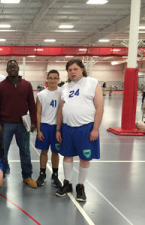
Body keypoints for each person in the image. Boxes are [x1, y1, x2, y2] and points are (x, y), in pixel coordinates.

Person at [55, 59, 103, 202]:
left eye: (75, 69)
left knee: (84, 159)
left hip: (86, 128)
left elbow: (99, 107)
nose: (72, 72)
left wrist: (95, 128)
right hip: (67, 128)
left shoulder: (93, 83)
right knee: (67, 156)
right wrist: (58, 129)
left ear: (82, 69)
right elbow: (60, 110)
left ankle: (80, 187)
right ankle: (67, 183)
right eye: (70, 70)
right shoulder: (64, 87)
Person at [0, 59, 37, 188]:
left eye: (14, 67)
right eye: (10, 67)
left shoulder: (27, 85)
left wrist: (33, 121)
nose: (12, 69)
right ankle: (1, 176)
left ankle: (27, 176)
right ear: (7, 70)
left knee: (25, 151)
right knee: (3, 151)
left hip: (23, 125)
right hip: (5, 124)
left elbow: (32, 105)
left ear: (18, 69)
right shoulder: (0, 86)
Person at [35, 70, 62, 188]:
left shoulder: (62, 93)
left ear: (58, 79)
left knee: (55, 153)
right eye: (50, 78)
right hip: (45, 127)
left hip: (57, 127)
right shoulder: (41, 95)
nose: (52, 80)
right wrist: (39, 130)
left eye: (55, 78)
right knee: (44, 152)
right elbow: (38, 114)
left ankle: (55, 175)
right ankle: (42, 174)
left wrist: (60, 129)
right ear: (47, 79)